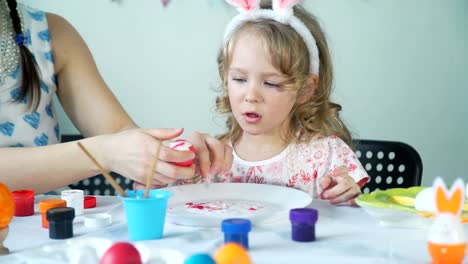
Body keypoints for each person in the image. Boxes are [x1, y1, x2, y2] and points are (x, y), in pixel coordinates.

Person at [0, 0, 232, 194]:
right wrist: (103, 153)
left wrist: (175, 155)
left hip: (50, 232)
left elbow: (118, 131)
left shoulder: (51, 32)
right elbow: (112, 147)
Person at [196, 0, 369, 205]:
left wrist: (346, 195)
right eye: (239, 79)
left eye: (271, 83)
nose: (251, 95)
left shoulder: (327, 156)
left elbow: (355, 218)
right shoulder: (212, 157)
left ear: (304, 89)